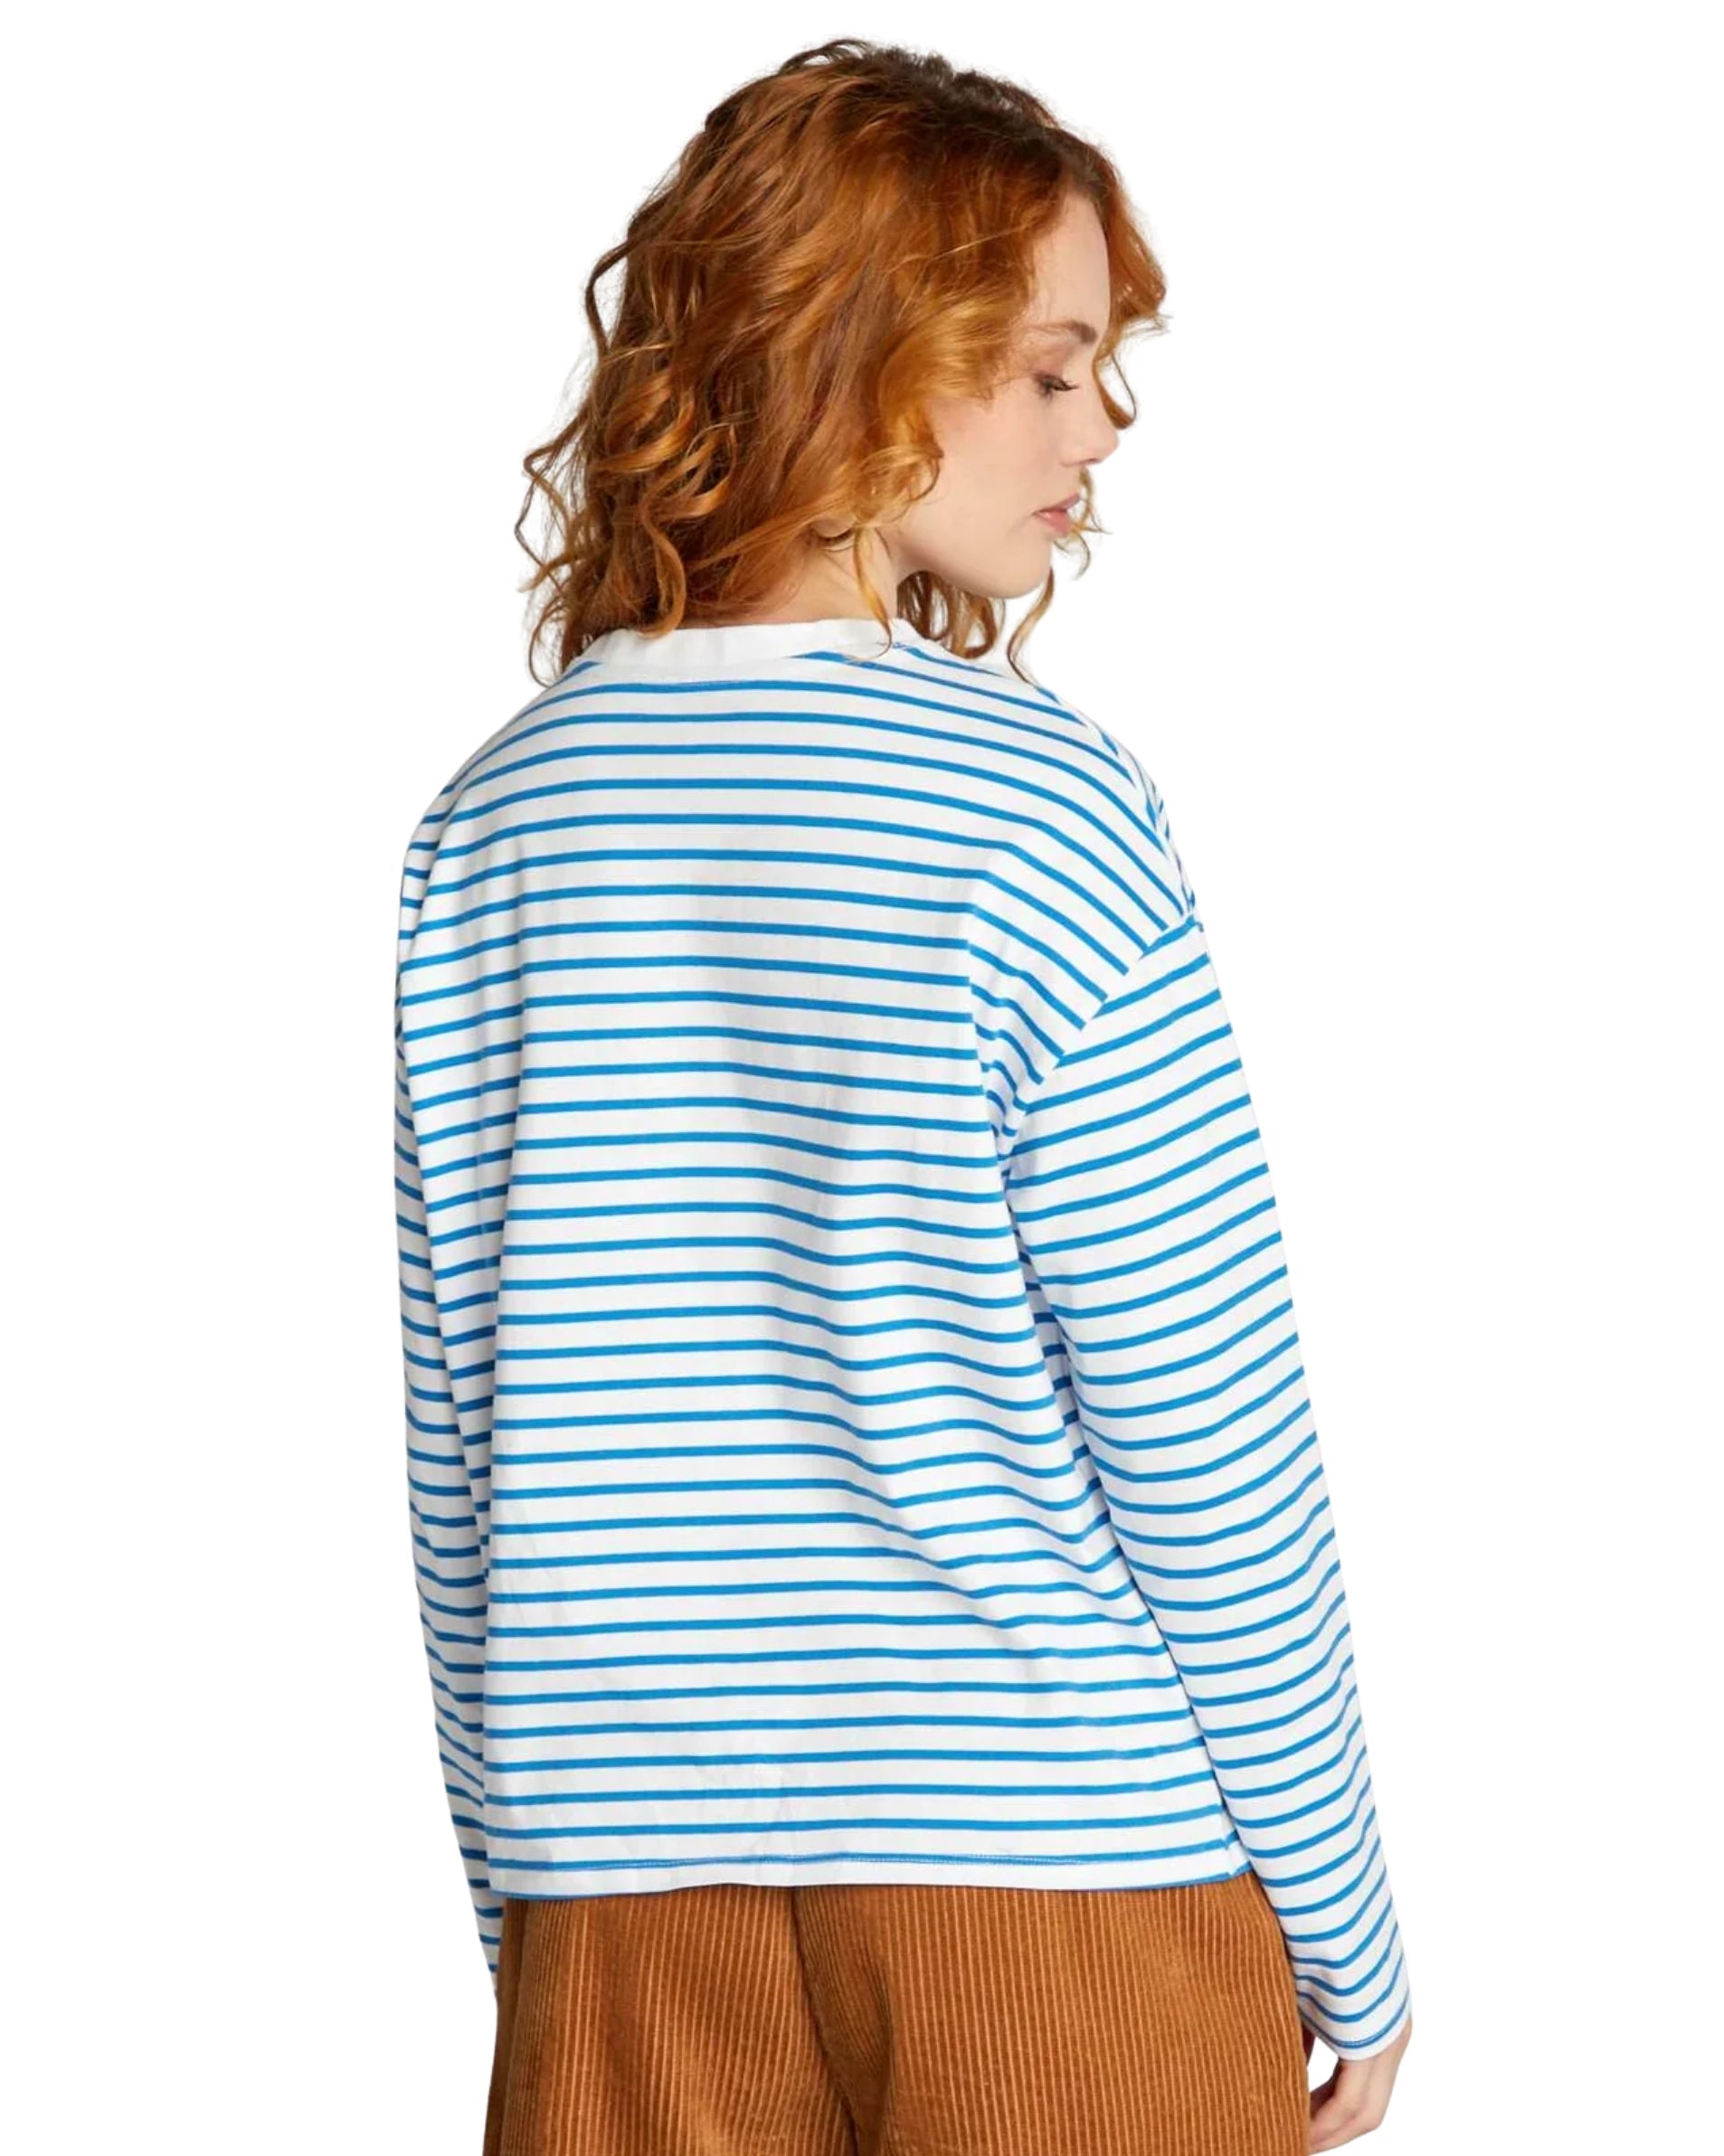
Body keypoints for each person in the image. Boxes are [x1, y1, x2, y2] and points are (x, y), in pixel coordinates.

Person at [393, 37, 1414, 2155]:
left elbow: (466, 1440)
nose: (1099, 426)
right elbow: (1201, 1421)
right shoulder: (1037, 810)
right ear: (859, 361)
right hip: (1059, 1880)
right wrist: (1344, 1927)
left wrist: (536, 1911)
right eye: (1044, 368)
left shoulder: (493, 824)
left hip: (621, 1902)